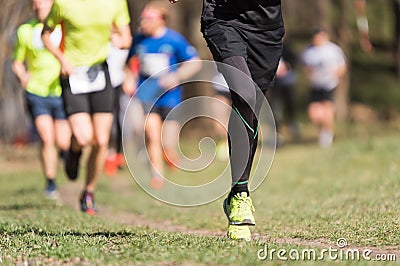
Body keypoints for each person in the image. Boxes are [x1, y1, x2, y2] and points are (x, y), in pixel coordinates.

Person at [167, 0, 284, 240]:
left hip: (266, 29)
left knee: (251, 107)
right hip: (223, 18)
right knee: (245, 92)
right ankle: (241, 194)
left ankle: (235, 194)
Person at [42, 0, 132, 214]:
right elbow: (46, 35)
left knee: (101, 140)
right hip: (73, 74)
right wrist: (62, 60)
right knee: (84, 138)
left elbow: (126, 38)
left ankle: (88, 192)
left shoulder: (115, 3)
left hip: (100, 74)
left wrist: (119, 41)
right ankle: (74, 151)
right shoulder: (62, 3)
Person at [123, 1, 201, 190]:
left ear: (162, 20)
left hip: (170, 97)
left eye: (149, 18)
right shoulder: (139, 40)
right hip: (147, 95)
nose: (144, 22)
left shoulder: (174, 40)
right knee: (152, 135)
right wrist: (129, 79)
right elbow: (127, 65)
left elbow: (195, 62)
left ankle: (170, 154)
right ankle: (157, 176)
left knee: (167, 142)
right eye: (143, 18)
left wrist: (176, 76)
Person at [12, 0, 71, 199]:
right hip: (36, 91)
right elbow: (17, 62)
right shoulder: (25, 31)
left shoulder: (63, 28)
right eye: (35, 4)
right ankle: (51, 182)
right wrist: (23, 76)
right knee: (47, 138)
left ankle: (67, 157)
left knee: (63, 141)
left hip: (61, 91)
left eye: (43, 4)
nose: (38, 7)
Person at [301, 28, 347, 148]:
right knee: (314, 114)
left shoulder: (333, 50)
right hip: (316, 85)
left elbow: (342, 66)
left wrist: (335, 75)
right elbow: (306, 68)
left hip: (329, 85)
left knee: (327, 111)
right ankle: (323, 130)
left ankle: (327, 135)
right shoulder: (309, 51)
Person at [268, 41, 300, 145]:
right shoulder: (266, 46)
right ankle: (277, 134)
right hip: (274, 84)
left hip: (286, 83)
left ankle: (294, 128)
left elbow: (294, 60)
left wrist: (286, 66)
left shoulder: (286, 47)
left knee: (290, 107)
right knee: (275, 110)